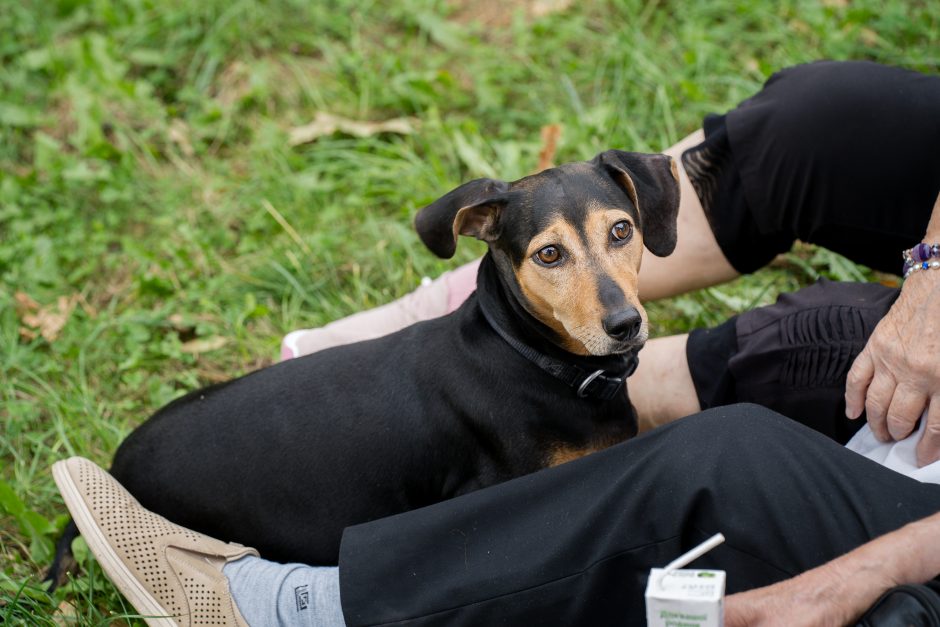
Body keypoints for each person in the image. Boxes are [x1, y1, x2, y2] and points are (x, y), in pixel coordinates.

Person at [55, 60, 940, 626]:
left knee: (709, 454)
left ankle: (311, 606)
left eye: (620, 236)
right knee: (822, 123)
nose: (612, 291)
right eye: (553, 257)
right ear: (489, 240)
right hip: (177, 473)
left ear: (643, 213)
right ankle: (419, 326)